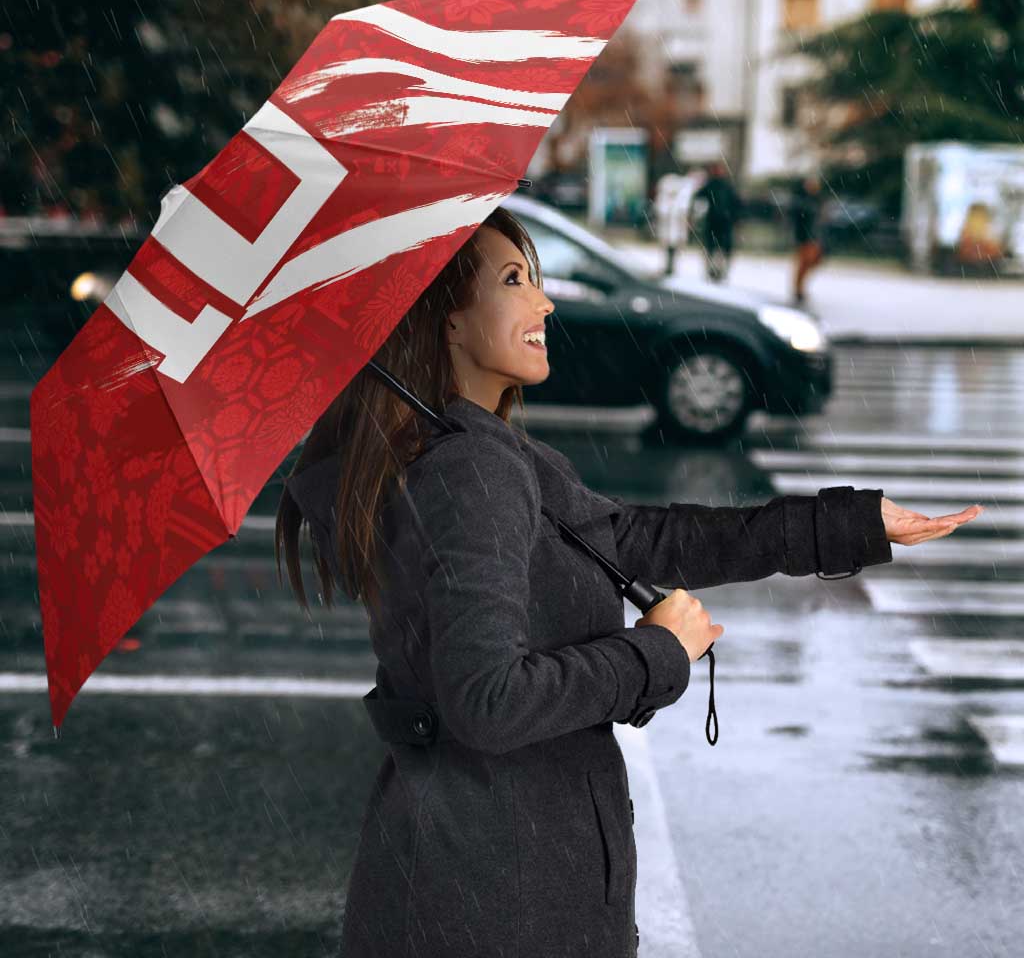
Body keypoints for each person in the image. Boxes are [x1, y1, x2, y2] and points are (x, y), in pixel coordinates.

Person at [276, 206, 980, 958]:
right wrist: (654, 653)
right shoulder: (469, 471)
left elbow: (643, 539)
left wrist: (850, 524)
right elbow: (487, 702)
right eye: (514, 280)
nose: (544, 302)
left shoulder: (481, 453)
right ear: (445, 322)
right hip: (496, 897)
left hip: (484, 877)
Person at [692, 160, 742, 283]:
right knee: (713, 248)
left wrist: (735, 218)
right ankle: (713, 271)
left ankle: (719, 271)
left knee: (720, 249)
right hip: (715, 222)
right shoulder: (712, 185)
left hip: (723, 222)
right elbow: (698, 198)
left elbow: (736, 204)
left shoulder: (725, 186)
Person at [790, 173, 826, 304]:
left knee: (812, 262)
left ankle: (799, 288)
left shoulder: (817, 200)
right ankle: (798, 289)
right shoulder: (802, 201)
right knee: (804, 263)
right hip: (805, 237)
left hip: (814, 237)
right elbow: (799, 220)